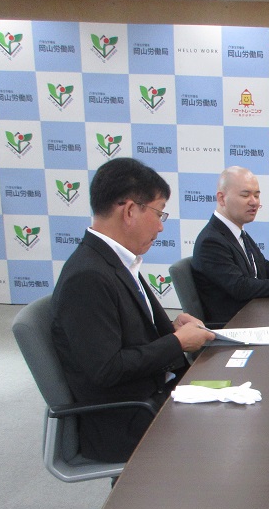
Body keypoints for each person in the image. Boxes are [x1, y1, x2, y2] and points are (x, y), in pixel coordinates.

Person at [52, 157, 215, 463]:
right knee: (234, 425)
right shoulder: (87, 276)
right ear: (129, 211)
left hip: (150, 396)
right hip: (126, 419)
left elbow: (124, 333)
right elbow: (107, 368)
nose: (161, 226)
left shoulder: (114, 261)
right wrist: (177, 343)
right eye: (158, 213)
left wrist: (171, 329)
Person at [192, 166, 269, 324]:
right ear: (221, 198)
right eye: (245, 195)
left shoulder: (236, 231)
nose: (254, 202)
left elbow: (262, 266)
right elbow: (241, 287)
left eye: (257, 195)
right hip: (235, 324)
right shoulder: (211, 241)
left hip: (255, 313)